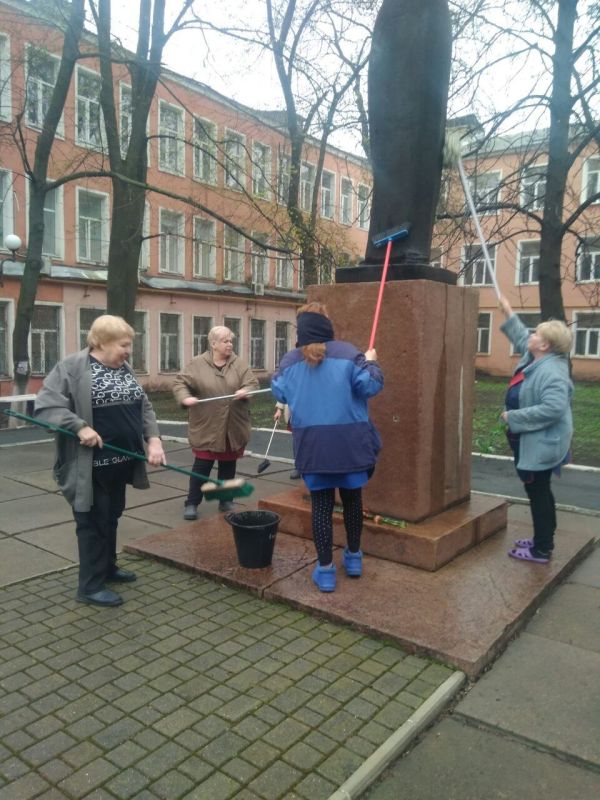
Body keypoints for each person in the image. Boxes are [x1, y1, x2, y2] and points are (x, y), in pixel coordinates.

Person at [34, 315, 166, 607]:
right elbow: (45, 407)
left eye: (129, 345)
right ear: (102, 342)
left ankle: (107, 567)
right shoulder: (71, 368)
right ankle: (90, 586)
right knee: (92, 523)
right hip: (90, 467)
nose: (129, 351)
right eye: (124, 345)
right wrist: (79, 426)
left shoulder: (124, 368)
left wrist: (154, 439)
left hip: (121, 463)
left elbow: (143, 406)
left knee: (111, 516)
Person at [271, 302, 384, 592]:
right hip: (350, 445)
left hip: (313, 447)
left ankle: (325, 572)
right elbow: (370, 387)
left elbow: (279, 391)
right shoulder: (349, 353)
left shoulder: (289, 361)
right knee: (352, 501)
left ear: (301, 328)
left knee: (321, 507)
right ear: (327, 324)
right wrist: (371, 362)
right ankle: (354, 559)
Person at [498, 295, 573, 564]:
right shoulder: (537, 357)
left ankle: (541, 548)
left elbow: (553, 409)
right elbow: (521, 337)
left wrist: (513, 417)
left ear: (545, 345)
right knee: (539, 490)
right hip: (531, 440)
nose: (531, 335)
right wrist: (508, 311)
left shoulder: (552, 372)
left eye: (537, 334)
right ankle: (543, 538)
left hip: (540, 444)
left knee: (538, 492)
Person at [173, 326, 258, 520]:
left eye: (231, 341)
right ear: (213, 344)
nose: (230, 344)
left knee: (228, 466)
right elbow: (180, 383)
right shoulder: (197, 364)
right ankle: (192, 502)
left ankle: (225, 500)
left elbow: (252, 383)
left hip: (232, 427)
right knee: (202, 466)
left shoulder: (239, 364)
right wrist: (185, 397)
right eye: (225, 341)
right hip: (207, 426)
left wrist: (246, 391)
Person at [273, 402, 300, 479]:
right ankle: (298, 467)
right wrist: (279, 410)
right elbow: (283, 394)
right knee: (297, 441)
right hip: (294, 414)